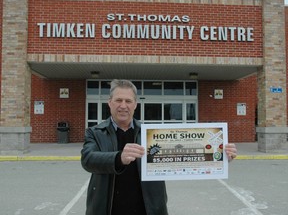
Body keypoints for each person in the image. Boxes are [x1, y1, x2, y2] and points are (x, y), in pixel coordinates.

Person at [81, 79, 237, 215]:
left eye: (128, 101)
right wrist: (118, 158)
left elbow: (180, 156)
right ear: (109, 102)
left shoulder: (151, 134)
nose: (123, 105)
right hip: (108, 209)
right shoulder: (95, 132)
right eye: (118, 100)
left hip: (148, 209)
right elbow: (88, 159)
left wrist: (220, 156)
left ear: (135, 104)